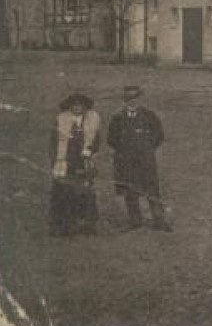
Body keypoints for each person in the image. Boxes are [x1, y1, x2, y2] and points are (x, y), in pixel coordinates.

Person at [105, 85, 171, 231]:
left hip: (146, 159)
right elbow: (111, 139)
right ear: (124, 100)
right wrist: (124, 150)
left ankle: (159, 220)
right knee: (130, 189)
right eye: (128, 98)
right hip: (126, 160)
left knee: (152, 189)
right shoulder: (118, 118)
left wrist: (146, 148)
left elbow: (159, 136)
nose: (132, 101)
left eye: (135, 97)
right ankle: (135, 221)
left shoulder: (149, 115)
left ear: (139, 98)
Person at [48, 93, 102, 236]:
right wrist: (55, 161)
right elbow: (53, 143)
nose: (77, 108)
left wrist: (89, 150)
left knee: (86, 193)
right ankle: (64, 225)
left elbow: (96, 142)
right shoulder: (61, 121)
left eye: (80, 106)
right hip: (65, 162)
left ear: (84, 108)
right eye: (74, 105)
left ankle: (87, 225)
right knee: (63, 193)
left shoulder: (92, 122)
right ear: (70, 107)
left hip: (84, 163)